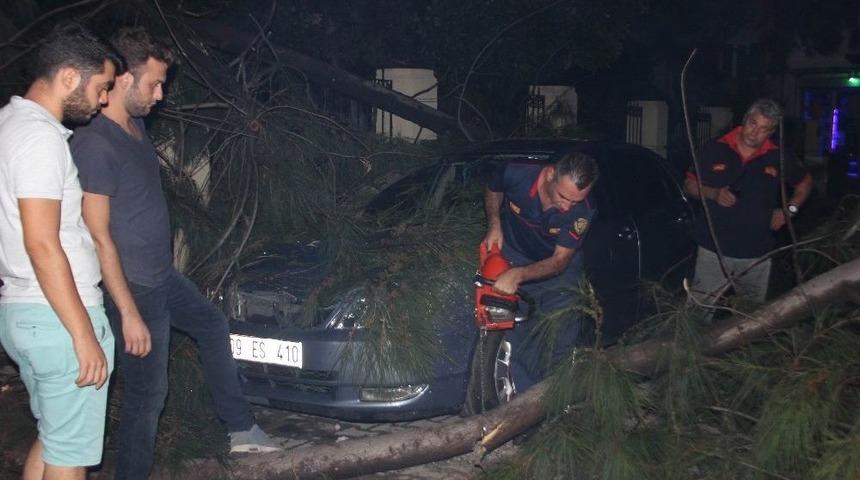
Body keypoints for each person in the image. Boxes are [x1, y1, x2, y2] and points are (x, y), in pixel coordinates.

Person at [69, 27, 278, 480]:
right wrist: (128, 312)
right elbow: (96, 234)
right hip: (133, 287)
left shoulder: (135, 126)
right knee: (149, 397)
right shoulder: (94, 144)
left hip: (160, 277)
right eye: (154, 84)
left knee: (210, 323)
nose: (161, 94)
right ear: (123, 80)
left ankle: (240, 428)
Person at [0, 23, 118, 480]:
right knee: (71, 458)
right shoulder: (39, 139)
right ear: (69, 76)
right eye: (101, 86)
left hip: (27, 311)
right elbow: (42, 242)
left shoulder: (10, 126)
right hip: (58, 316)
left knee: (55, 438)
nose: (103, 99)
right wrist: (83, 333)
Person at [483, 152, 598, 391]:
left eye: (575, 201)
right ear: (549, 174)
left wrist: (519, 275)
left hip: (560, 272)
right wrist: (494, 223)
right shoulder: (516, 172)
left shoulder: (582, 211)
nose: (567, 207)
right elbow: (493, 188)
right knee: (518, 335)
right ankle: (525, 403)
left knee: (560, 340)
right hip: (516, 254)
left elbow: (559, 262)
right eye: (563, 196)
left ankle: (557, 402)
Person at [685, 98, 812, 313]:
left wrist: (789, 210)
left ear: (771, 132)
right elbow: (689, 185)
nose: (755, 133)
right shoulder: (715, 148)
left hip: (756, 255)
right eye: (753, 123)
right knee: (698, 314)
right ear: (745, 120)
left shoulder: (778, 157)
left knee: (750, 317)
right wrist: (714, 193)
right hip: (713, 251)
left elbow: (805, 183)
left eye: (764, 129)